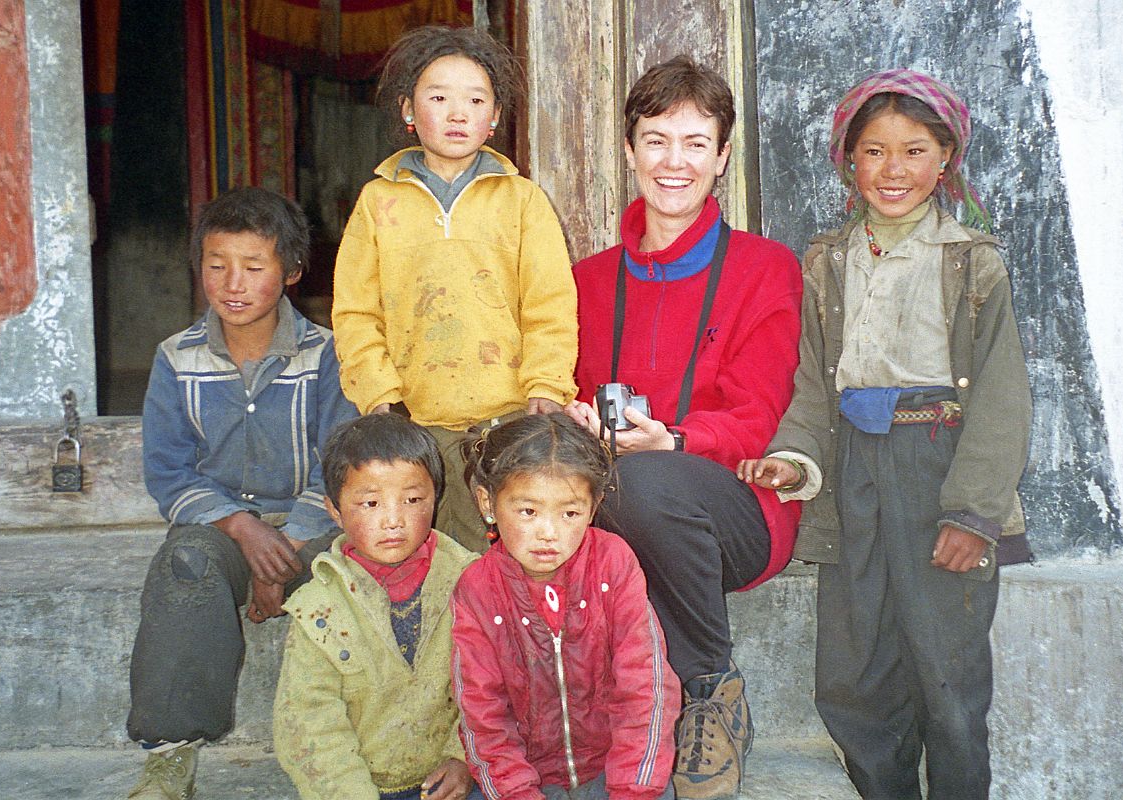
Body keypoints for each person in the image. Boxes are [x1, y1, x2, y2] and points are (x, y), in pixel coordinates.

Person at [737, 69, 1032, 800]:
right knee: (851, 671)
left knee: (946, 672)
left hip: (936, 465)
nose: (892, 169)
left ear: (944, 159)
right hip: (852, 475)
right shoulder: (826, 262)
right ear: (849, 160)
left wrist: (972, 513)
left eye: (912, 150)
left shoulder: (971, 263)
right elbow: (813, 382)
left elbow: (1001, 399)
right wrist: (791, 457)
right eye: (873, 151)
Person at [565, 56, 801, 798]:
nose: (675, 162)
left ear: (723, 157)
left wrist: (673, 440)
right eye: (656, 140)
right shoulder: (586, 280)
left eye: (695, 142)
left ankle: (709, 693)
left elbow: (756, 416)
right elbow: (563, 393)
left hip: (733, 506)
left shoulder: (766, 268)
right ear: (629, 150)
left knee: (642, 478)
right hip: (614, 499)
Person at [125, 187, 359, 800]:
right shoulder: (176, 360)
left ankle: (370, 743)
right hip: (224, 530)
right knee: (184, 565)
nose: (233, 283)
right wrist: (246, 532)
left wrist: (281, 554)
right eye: (216, 264)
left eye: (254, 267)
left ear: (292, 272)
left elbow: (341, 467)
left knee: (371, 572)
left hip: (316, 526)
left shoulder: (328, 354)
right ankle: (170, 753)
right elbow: (170, 472)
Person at [332, 25, 578, 553]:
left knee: (513, 559)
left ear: (493, 119)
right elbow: (355, 312)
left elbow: (550, 305)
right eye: (438, 97)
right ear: (408, 110)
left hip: (510, 418)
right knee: (430, 561)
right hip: (416, 425)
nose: (457, 112)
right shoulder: (378, 203)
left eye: (475, 99)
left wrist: (546, 387)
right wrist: (380, 398)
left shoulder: (521, 200)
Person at [450, 413, 680, 800]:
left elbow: (647, 686)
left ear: (593, 508)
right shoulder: (477, 590)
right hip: (527, 780)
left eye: (570, 513)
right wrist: (518, 793)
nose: (548, 533)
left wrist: (632, 789)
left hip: (616, 772)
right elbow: (483, 715)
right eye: (528, 511)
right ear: (488, 502)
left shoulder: (613, 564)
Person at [273, 413, 477, 800]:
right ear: (334, 509)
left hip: (459, 777)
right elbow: (309, 724)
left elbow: (495, 687)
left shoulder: (472, 583)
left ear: (436, 497)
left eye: (413, 500)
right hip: (360, 786)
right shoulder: (318, 610)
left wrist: (462, 757)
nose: (393, 520)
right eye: (370, 503)